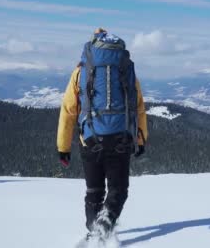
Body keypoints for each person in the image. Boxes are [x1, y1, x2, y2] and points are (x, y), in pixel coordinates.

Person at [57, 28, 148, 238]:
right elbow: (138, 106)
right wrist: (141, 139)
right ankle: (105, 222)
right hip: (120, 138)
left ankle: (93, 227)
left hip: (90, 138)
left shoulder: (81, 70)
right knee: (118, 190)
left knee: (94, 191)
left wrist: (63, 147)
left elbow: (69, 110)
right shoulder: (125, 69)